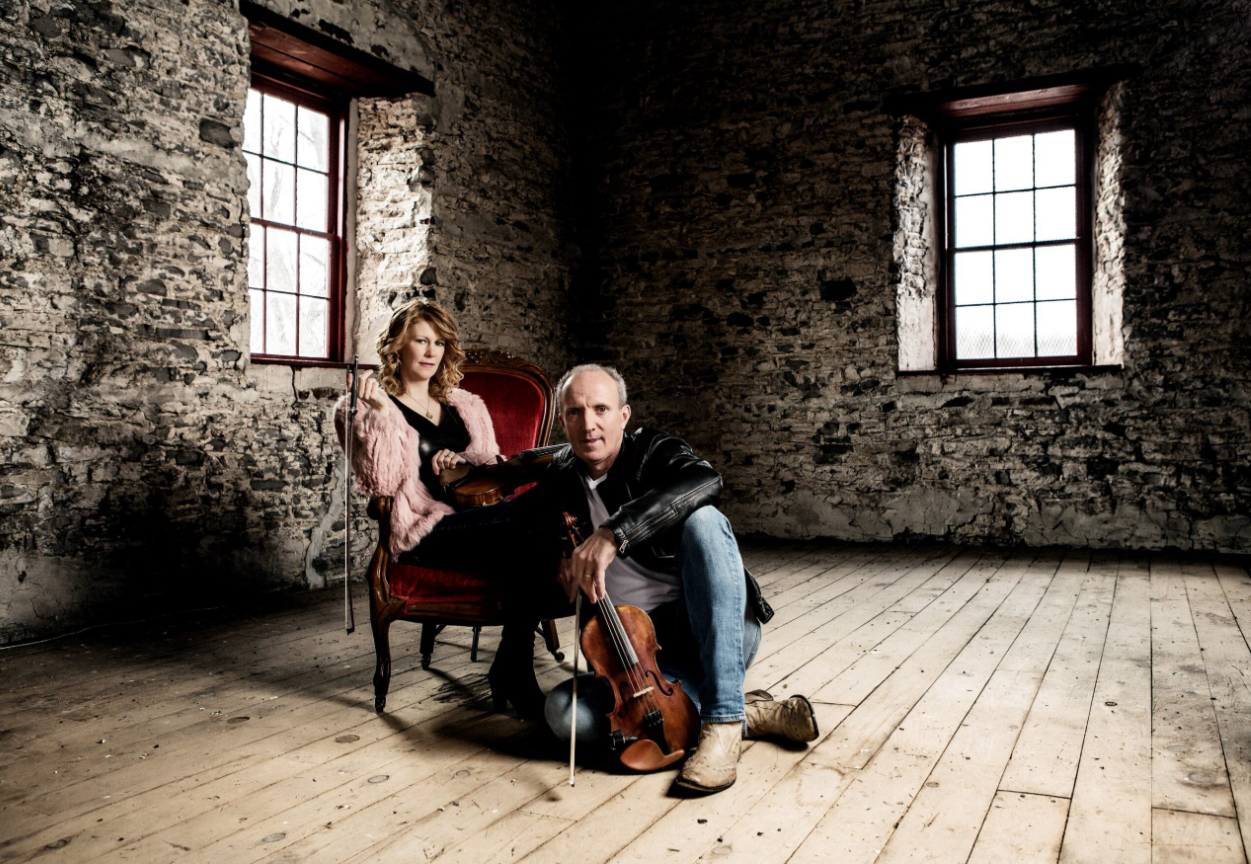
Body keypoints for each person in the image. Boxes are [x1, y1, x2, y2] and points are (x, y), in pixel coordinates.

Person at [536, 364, 819, 793]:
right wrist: (558, 571)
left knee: (703, 521)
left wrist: (617, 533)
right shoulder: (560, 477)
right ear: (562, 421)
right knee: (564, 715)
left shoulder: (653, 451)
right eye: (575, 412)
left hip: (710, 631)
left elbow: (705, 480)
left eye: (600, 409)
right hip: (633, 661)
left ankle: (723, 721)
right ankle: (747, 712)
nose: (589, 424)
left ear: (624, 415)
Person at [334, 299, 564, 721]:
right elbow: (380, 483)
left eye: (438, 342)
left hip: (475, 519)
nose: (430, 351)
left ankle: (512, 667)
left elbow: (493, 468)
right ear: (397, 346)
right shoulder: (365, 406)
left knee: (542, 527)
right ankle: (514, 670)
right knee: (537, 517)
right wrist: (380, 416)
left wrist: (463, 463)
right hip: (424, 532)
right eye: (420, 340)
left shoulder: (464, 404)